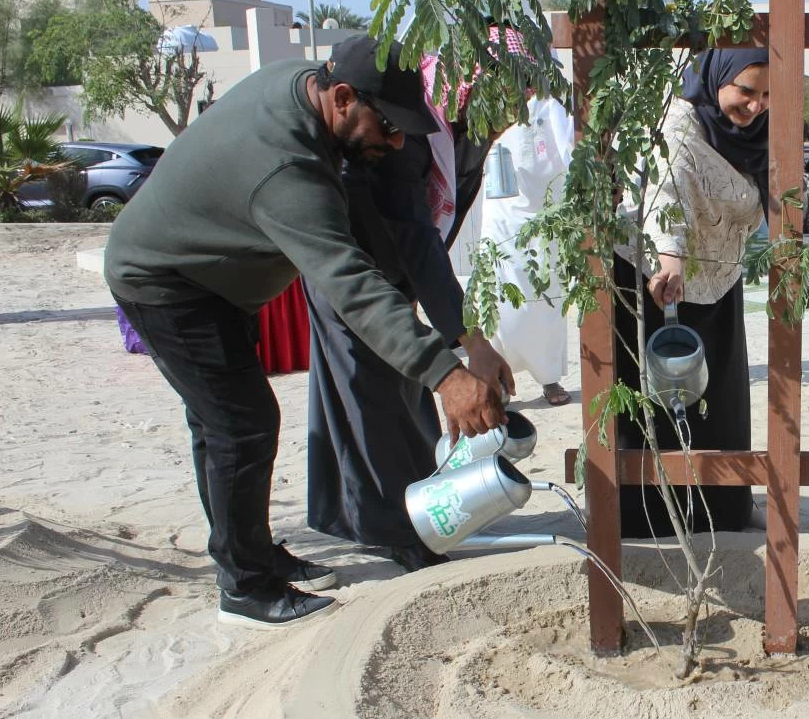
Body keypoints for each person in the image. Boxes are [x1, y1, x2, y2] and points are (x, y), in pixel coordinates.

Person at [105, 34, 511, 629]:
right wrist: (445, 374)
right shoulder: (288, 169)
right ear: (343, 97)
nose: (396, 142)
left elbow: (405, 241)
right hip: (168, 284)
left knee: (220, 425)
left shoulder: (308, 87)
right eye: (388, 127)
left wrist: (464, 338)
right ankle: (244, 588)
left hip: (208, 280)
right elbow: (350, 284)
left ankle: (247, 553)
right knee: (242, 425)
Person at [303, 45, 515, 575]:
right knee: (368, 393)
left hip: (396, 270)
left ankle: (410, 513)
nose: (512, 112)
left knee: (406, 393)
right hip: (354, 274)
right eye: (504, 95)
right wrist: (470, 341)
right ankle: (394, 531)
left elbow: (431, 229)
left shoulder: (458, 129)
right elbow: (416, 237)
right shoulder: (410, 134)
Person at [613, 48, 770, 537]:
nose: (755, 106)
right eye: (745, 91)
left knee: (719, 398)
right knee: (659, 396)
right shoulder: (679, 123)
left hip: (719, 275)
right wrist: (671, 263)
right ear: (717, 78)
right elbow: (667, 190)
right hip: (658, 280)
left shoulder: (757, 134)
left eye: (766, 94)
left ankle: (722, 511)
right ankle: (650, 516)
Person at [484, 92, 575, 405]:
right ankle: (498, 376)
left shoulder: (552, 100)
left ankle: (549, 377)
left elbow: (566, 147)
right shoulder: (492, 97)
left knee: (548, 292)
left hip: (547, 206)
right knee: (501, 293)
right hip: (505, 210)